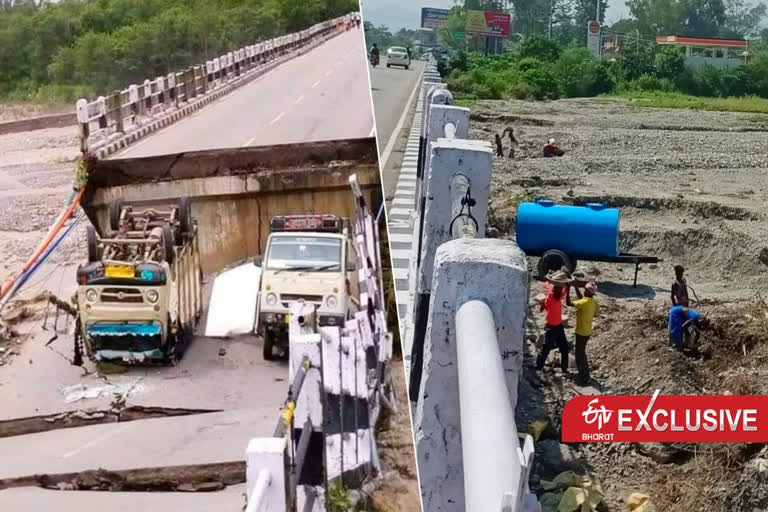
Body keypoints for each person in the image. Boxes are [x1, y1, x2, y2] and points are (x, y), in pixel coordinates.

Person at [536, 272, 570, 373]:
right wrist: (548, 280)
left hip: (559, 327)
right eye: (558, 289)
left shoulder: (558, 295)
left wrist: (548, 280)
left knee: (564, 348)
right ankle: (538, 367)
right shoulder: (551, 296)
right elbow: (549, 288)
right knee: (545, 348)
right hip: (550, 328)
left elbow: (563, 289)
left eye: (560, 289)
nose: (560, 291)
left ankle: (564, 368)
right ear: (555, 289)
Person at [566, 281, 598, 385]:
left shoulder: (584, 303)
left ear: (588, 292)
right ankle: (584, 375)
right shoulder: (591, 301)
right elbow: (581, 299)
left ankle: (584, 377)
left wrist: (567, 289)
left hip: (581, 332)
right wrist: (575, 288)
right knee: (581, 353)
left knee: (580, 356)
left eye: (585, 290)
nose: (583, 291)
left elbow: (568, 303)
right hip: (587, 331)